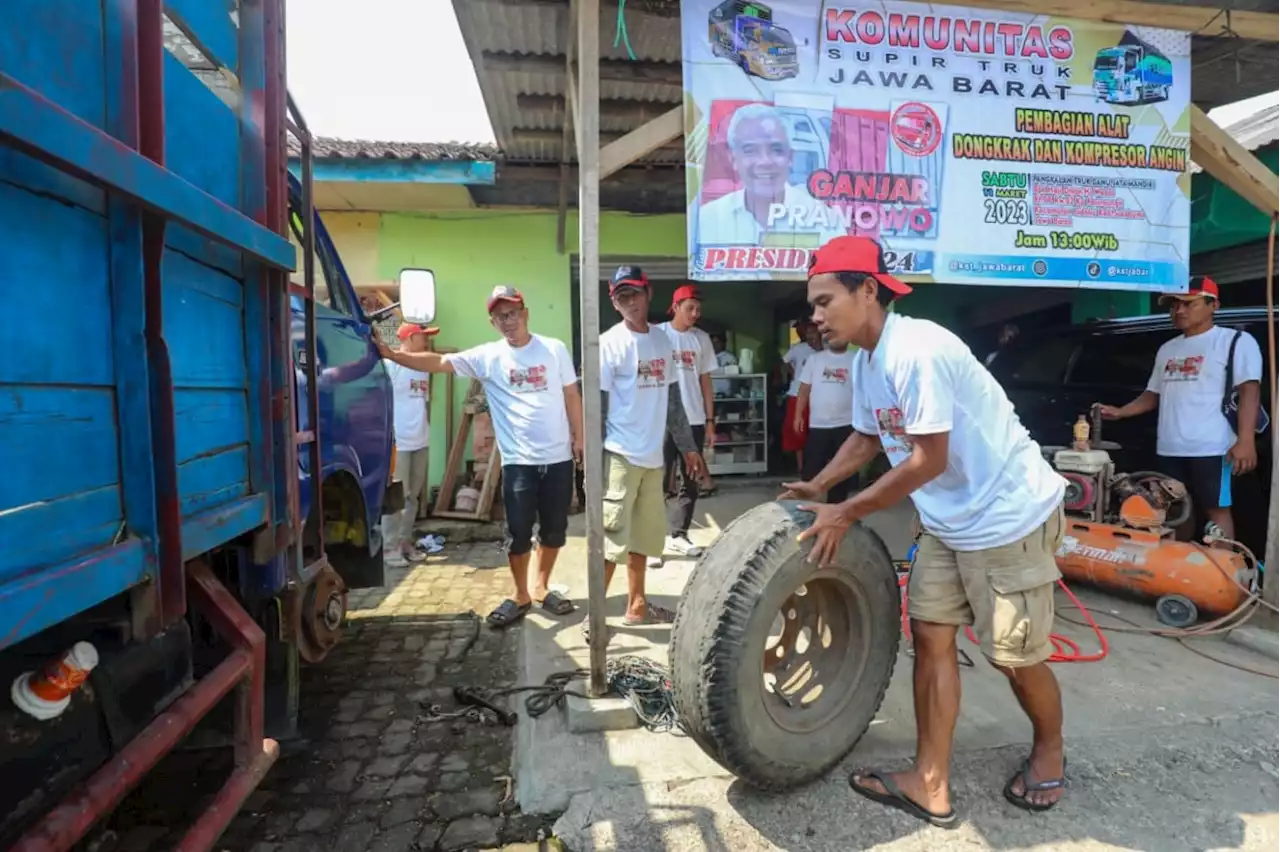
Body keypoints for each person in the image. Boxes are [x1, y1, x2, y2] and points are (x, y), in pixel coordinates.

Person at [783, 236, 1069, 825]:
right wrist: (822, 484)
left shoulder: (919, 350)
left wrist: (849, 510)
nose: (814, 316)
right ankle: (930, 780)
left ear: (868, 290)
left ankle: (1050, 748)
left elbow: (926, 459)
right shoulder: (867, 360)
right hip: (947, 522)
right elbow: (869, 436)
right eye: (812, 305)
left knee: (1013, 656)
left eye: (823, 300)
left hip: (1008, 518)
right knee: (932, 640)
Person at [377, 286, 584, 629]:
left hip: (559, 458)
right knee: (518, 533)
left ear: (525, 312)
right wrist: (392, 355)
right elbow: (439, 362)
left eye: (513, 312)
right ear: (493, 322)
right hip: (519, 462)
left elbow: (571, 394)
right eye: (501, 316)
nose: (508, 320)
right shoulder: (489, 357)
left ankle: (541, 586)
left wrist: (580, 437)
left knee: (554, 530)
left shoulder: (554, 349)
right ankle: (520, 594)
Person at [1098, 276, 1262, 540]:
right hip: (1170, 447)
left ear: (1214, 305)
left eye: (1189, 304)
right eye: (1174, 305)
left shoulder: (1235, 341)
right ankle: (1183, 568)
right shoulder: (1168, 349)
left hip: (1213, 447)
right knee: (1174, 511)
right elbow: (1152, 395)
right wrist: (1120, 411)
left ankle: (1224, 573)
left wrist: (1246, 441)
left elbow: (1249, 392)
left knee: (1216, 511)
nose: (1179, 310)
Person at [597, 266, 707, 632]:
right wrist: (593, 461)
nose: (629, 302)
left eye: (634, 294)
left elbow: (674, 401)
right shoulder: (609, 343)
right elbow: (597, 405)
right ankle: (595, 616)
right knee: (612, 538)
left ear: (648, 295)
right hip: (620, 454)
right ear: (614, 303)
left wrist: (688, 448)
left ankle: (637, 605)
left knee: (643, 536)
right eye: (621, 296)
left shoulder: (662, 342)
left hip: (653, 458)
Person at [697, 103, 846, 245]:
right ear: (734, 159)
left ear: (790, 157)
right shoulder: (708, 219)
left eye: (776, 149)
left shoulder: (826, 223)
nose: (765, 161)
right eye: (750, 150)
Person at [654, 285, 716, 562]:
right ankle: (651, 541)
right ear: (675, 306)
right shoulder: (658, 336)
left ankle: (679, 534)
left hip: (694, 420)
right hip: (662, 420)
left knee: (690, 481)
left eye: (698, 308)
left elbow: (705, 382)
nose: (695, 313)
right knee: (657, 480)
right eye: (690, 307)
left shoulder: (701, 339)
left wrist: (711, 421)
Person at [382, 322, 440, 568]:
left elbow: (422, 403)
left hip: (420, 440)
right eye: (423, 336)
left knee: (413, 497)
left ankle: (405, 542)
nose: (426, 341)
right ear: (410, 337)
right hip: (399, 442)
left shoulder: (423, 367)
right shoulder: (391, 364)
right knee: (397, 497)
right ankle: (389, 548)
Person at [794, 339, 857, 504]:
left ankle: (835, 508)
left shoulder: (856, 359)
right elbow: (804, 389)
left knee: (841, 470)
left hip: (846, 423)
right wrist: (798, 415)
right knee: (811, 470)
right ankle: (804, 507)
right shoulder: (815, 359)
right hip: (819, 424)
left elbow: (864, 389)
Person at [782, 320, 823, 472]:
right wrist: (793, 373)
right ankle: (802, 470)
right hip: (796, 394)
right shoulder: (798, 349)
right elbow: (784, 361)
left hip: (818, 398)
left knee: (816, 434)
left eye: (813, 332)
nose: (810, 336)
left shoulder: (826, 351)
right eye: (808, 333)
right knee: (798, 434)